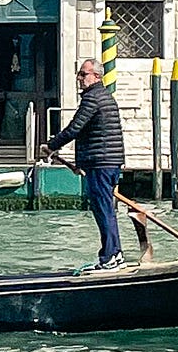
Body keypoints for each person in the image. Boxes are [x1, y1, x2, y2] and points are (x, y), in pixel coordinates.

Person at [41, 58, 127, 272]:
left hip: (100, 162)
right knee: (106, 209)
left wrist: (51, 145)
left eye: (83, 74)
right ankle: (114, 254)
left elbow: (74, 128)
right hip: (108, 161)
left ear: (96, 77)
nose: (79, 78)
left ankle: (109, 257)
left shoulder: (93, 98)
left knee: (103, 210)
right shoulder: (105, 96)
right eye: (79, 74)